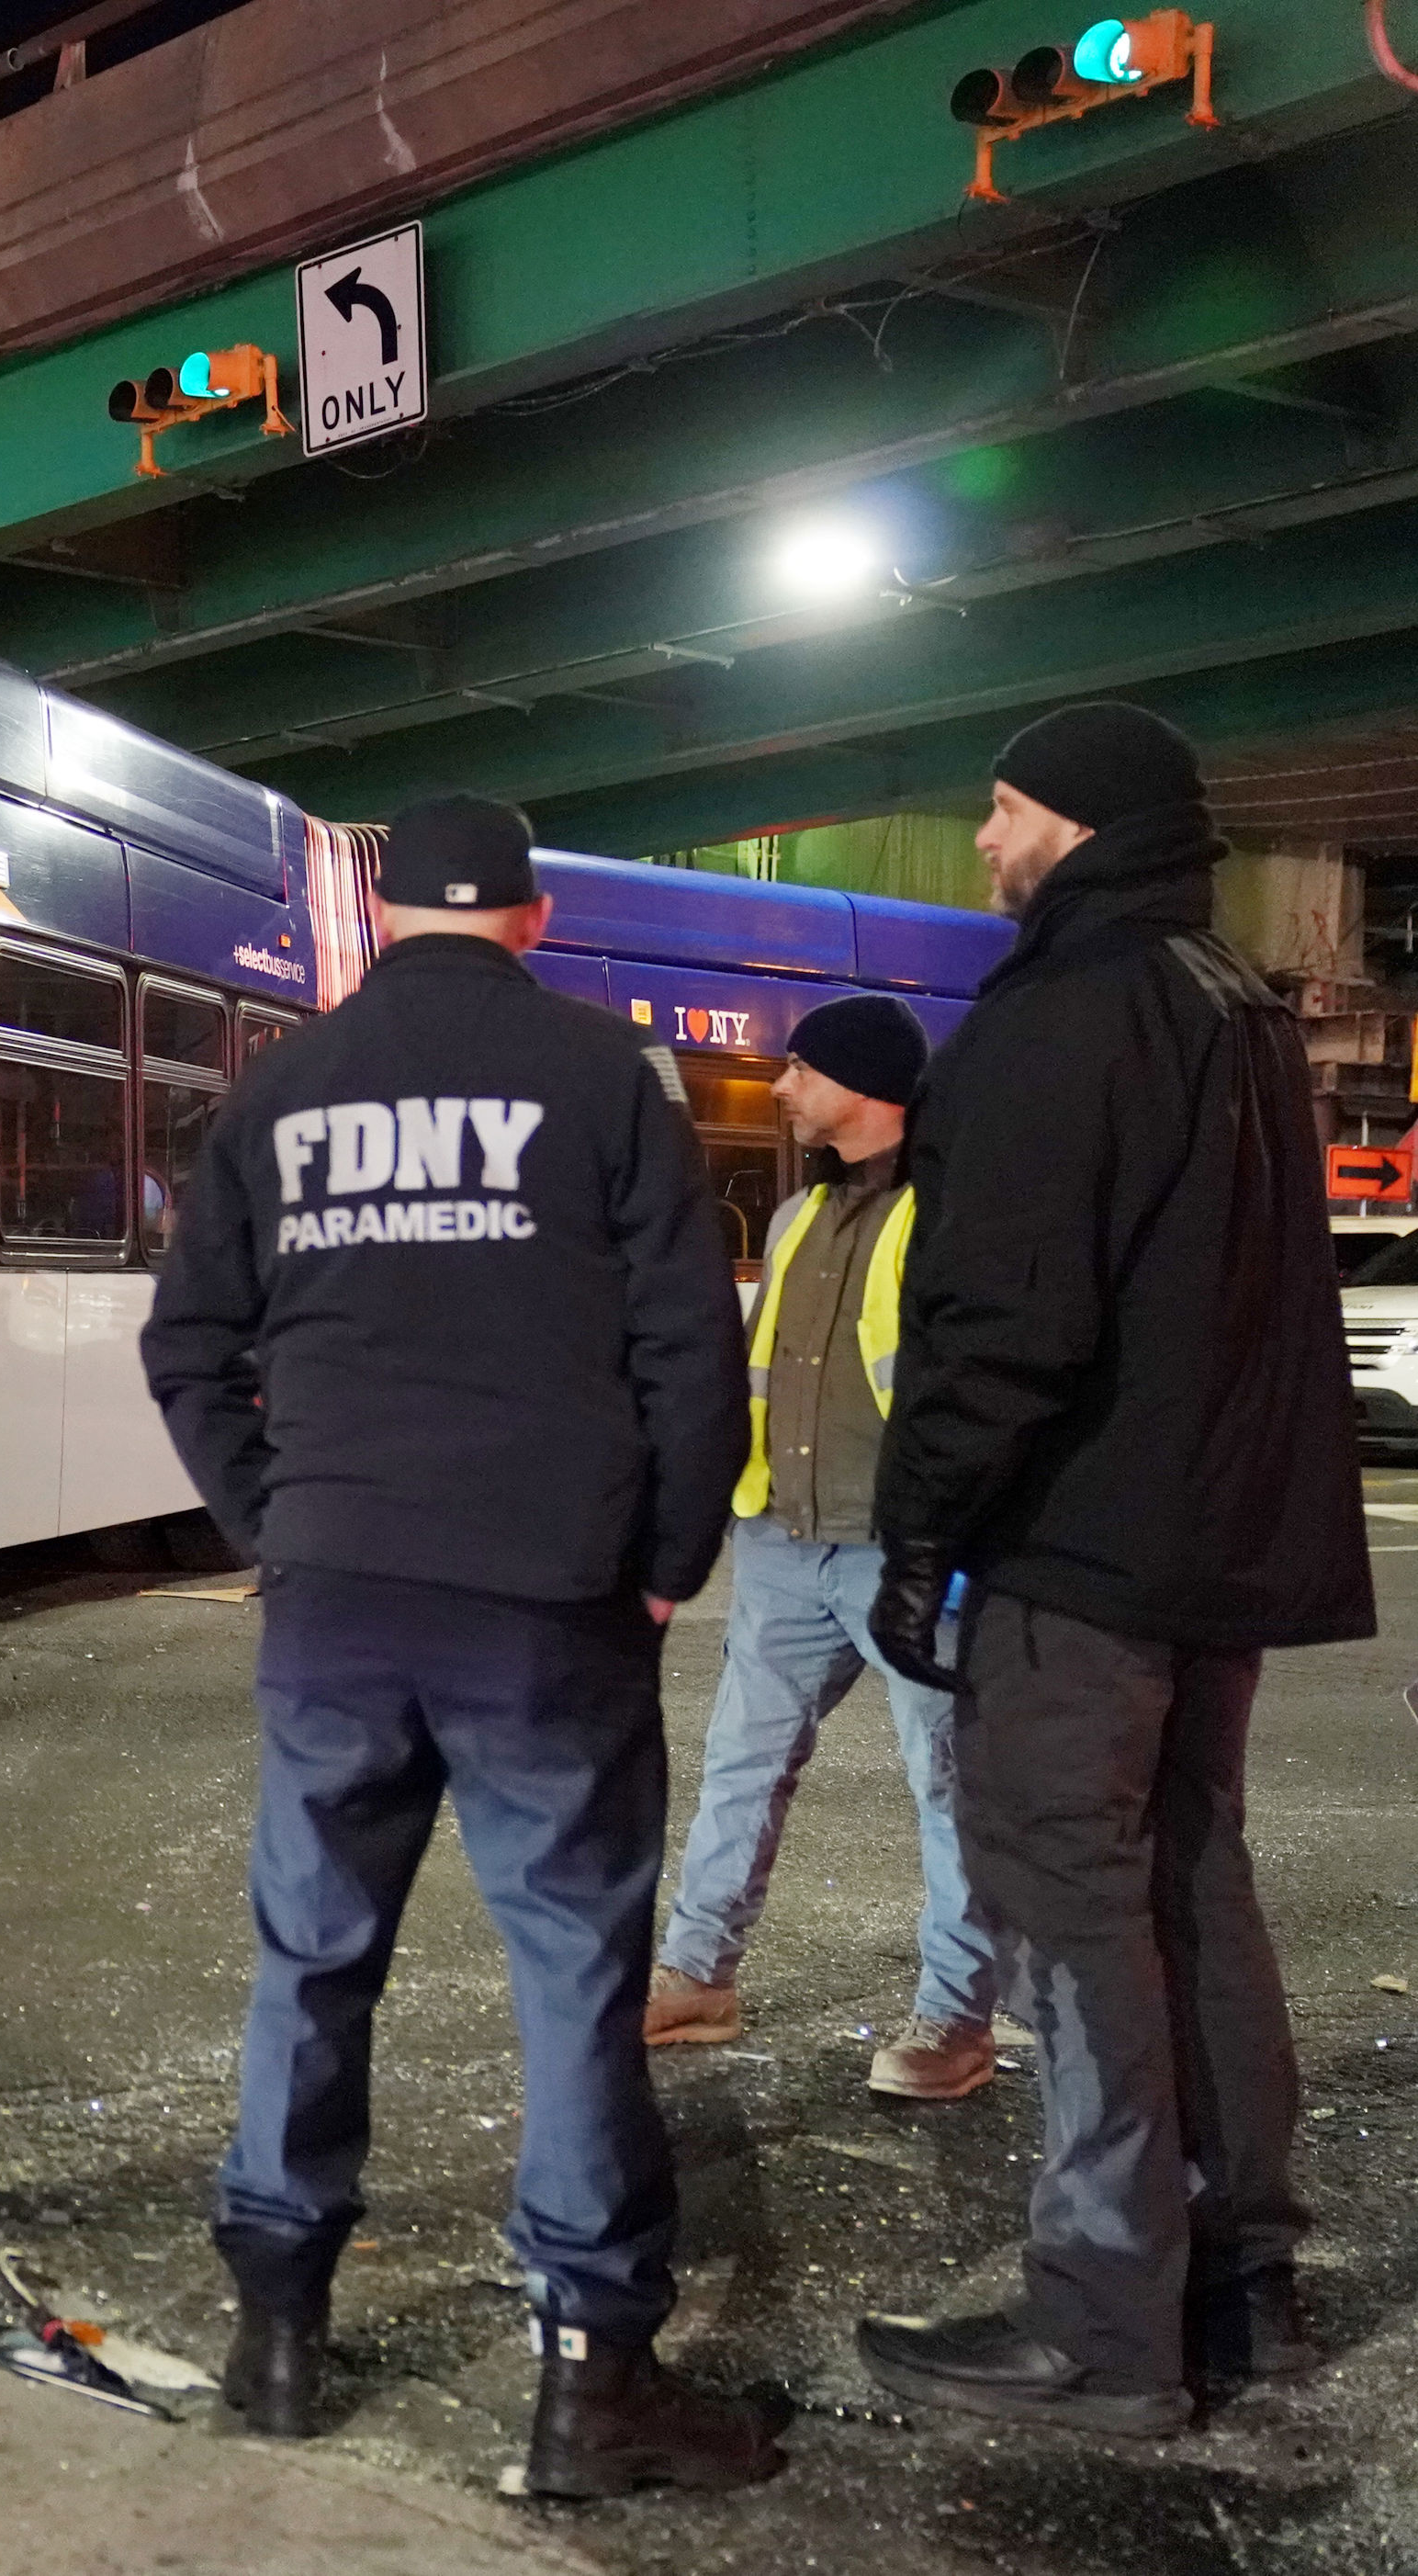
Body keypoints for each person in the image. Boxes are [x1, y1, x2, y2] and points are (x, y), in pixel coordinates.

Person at [142, 794, 782, 2495]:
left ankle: (278, 2331)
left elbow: (189, 1344)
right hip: (543, 1598)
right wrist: (663, 1556)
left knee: (314, 1954)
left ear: (380, 916)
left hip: (338, 1593)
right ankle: (592, 2376)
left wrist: (275, 1519)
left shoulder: (275, 1092)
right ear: (534, 916)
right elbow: (687, 1347)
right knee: (573, 1965)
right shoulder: (601, 1082)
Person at [855, 704, 1372, 2435]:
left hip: (1077, 1554)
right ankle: (1240, 2279)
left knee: (1073, 1919)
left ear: (1073, 821)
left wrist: (922, 1532)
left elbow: (1001, 1321)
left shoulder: (1056, 1016)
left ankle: (1099, 2324)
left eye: (1002, 811)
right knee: (1191, 1892)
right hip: (1210, 1550)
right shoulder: (1235, 1009)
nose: (987, 844)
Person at [645, 995, 1006, 2100]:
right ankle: (698, 1973)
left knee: (951, 1787)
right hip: (785, 1542)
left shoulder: (951, 1210)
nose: (783, 1088)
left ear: (865, 1085)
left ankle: (957, 2018)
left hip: (905, 1555)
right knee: (741, 1768)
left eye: (800, 1070)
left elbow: (973, 1396)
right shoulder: (801, 1213)